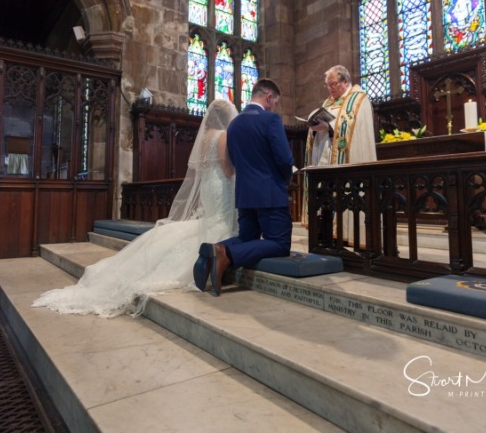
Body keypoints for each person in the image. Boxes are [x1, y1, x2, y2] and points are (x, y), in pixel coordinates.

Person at [32, 99, 238, 318]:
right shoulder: (223, 136)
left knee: (210, 220)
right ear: (226, 118)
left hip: (208, 185)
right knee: (221, 221)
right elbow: (226, 168)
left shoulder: (205, 138)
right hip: (219, 184)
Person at [194, 79, 294, 296]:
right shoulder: (270, 120)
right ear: (269, 97)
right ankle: (223, 252)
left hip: (244, 194)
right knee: (279, 243)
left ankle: (212, 253)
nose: (274, 106)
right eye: (274, 102)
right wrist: (287, 178)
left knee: (247, 237)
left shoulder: (234, 124)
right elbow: (285, 159)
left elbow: (235, 161)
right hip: (269, 193)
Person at [301, 65, 377, 236]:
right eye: (328, 85)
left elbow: (352, 128)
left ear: (345, 81)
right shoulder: (328, 102)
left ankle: (347, 233)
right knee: (325, 197)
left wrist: (329, 127)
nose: (330, 89)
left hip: (347, 162)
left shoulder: (358, 99)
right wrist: (314, 127)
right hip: (324, 161)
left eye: (333, 84)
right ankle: (326, 233)